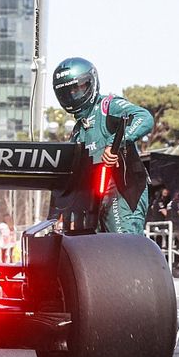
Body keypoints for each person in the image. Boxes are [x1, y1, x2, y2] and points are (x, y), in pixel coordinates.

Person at [53, 57, 154, 234]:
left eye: (77, 88)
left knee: (123, 249)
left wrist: (114, 144)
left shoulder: (107, 106)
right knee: (96, 253)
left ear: (90, 82)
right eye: (67, 92)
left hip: (123, 192)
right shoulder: (77, 131)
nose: (73, 95)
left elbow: (144, 118)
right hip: (94, 201)